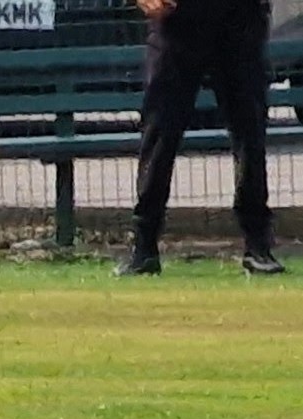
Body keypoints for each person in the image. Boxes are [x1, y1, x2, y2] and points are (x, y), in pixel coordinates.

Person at [118, 0, 283, 276]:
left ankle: (258, 245)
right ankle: (144, 245)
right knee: (160, 129)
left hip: (240, 17)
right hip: (178, 19)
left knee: (250, 128)